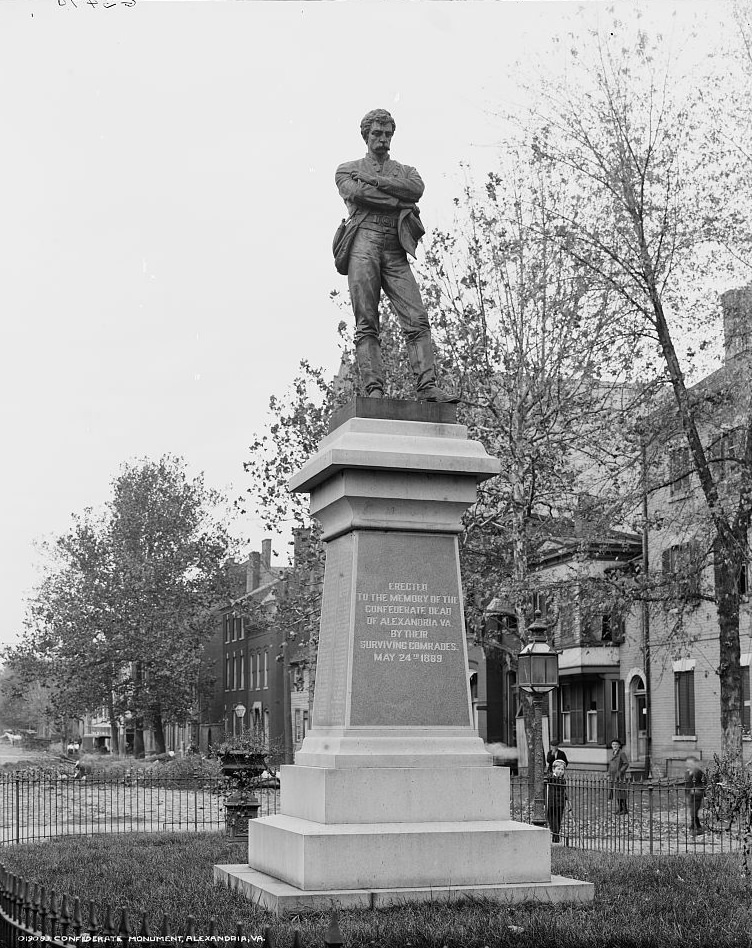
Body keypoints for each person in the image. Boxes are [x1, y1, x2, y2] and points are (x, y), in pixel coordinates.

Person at [335, 109, 459, 403]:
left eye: (388, 134)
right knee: (366, 321)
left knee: (417, 318)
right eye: (377, 133)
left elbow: (415, 190)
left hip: (394, 246)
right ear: (366, 135)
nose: (383, 139)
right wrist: (395, 199)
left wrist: (374, 182)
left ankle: (427, 386)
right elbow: (357, 195)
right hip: (362, 242)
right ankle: (373, 389)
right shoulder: (345, 169)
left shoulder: (406, 171)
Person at [545, 758, 568, 843]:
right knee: (553, 822)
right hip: (551, 804)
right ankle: (556, 838)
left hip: (560, 804)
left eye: (562, 769)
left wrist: (566, 799)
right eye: (558, 769)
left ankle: (556, 837)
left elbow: (563, 791)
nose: (560, 771)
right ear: (553, 769)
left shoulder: (563, 780)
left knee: (558, 821)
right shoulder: (550, 778)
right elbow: (548, 779)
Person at [684, 755, 706, 836]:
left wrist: (698, 789)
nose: (688, 764)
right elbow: (687, 785)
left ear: (695, 764)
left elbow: (705, 783)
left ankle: (692, 828)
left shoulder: (699, 772)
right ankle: (699, 828)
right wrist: (686, 795)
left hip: (697, 795)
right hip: (690, 795)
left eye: (691, 763)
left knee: (693, 811)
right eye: (687, 763)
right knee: (693, 812)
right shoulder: (687, 772)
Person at [607, 738, 630, 815]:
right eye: (613, 744)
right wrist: (608, 774)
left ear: (619, 746)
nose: (614, 746)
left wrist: (620, 772)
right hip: (613, 776)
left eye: (616, 744)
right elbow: (610, 765)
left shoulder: (621, 753)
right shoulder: (613, 753)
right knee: (616, 792)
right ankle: (619, 808)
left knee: (621, 792)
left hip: (620, 776)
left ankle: (625, 809)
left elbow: (626, 763)